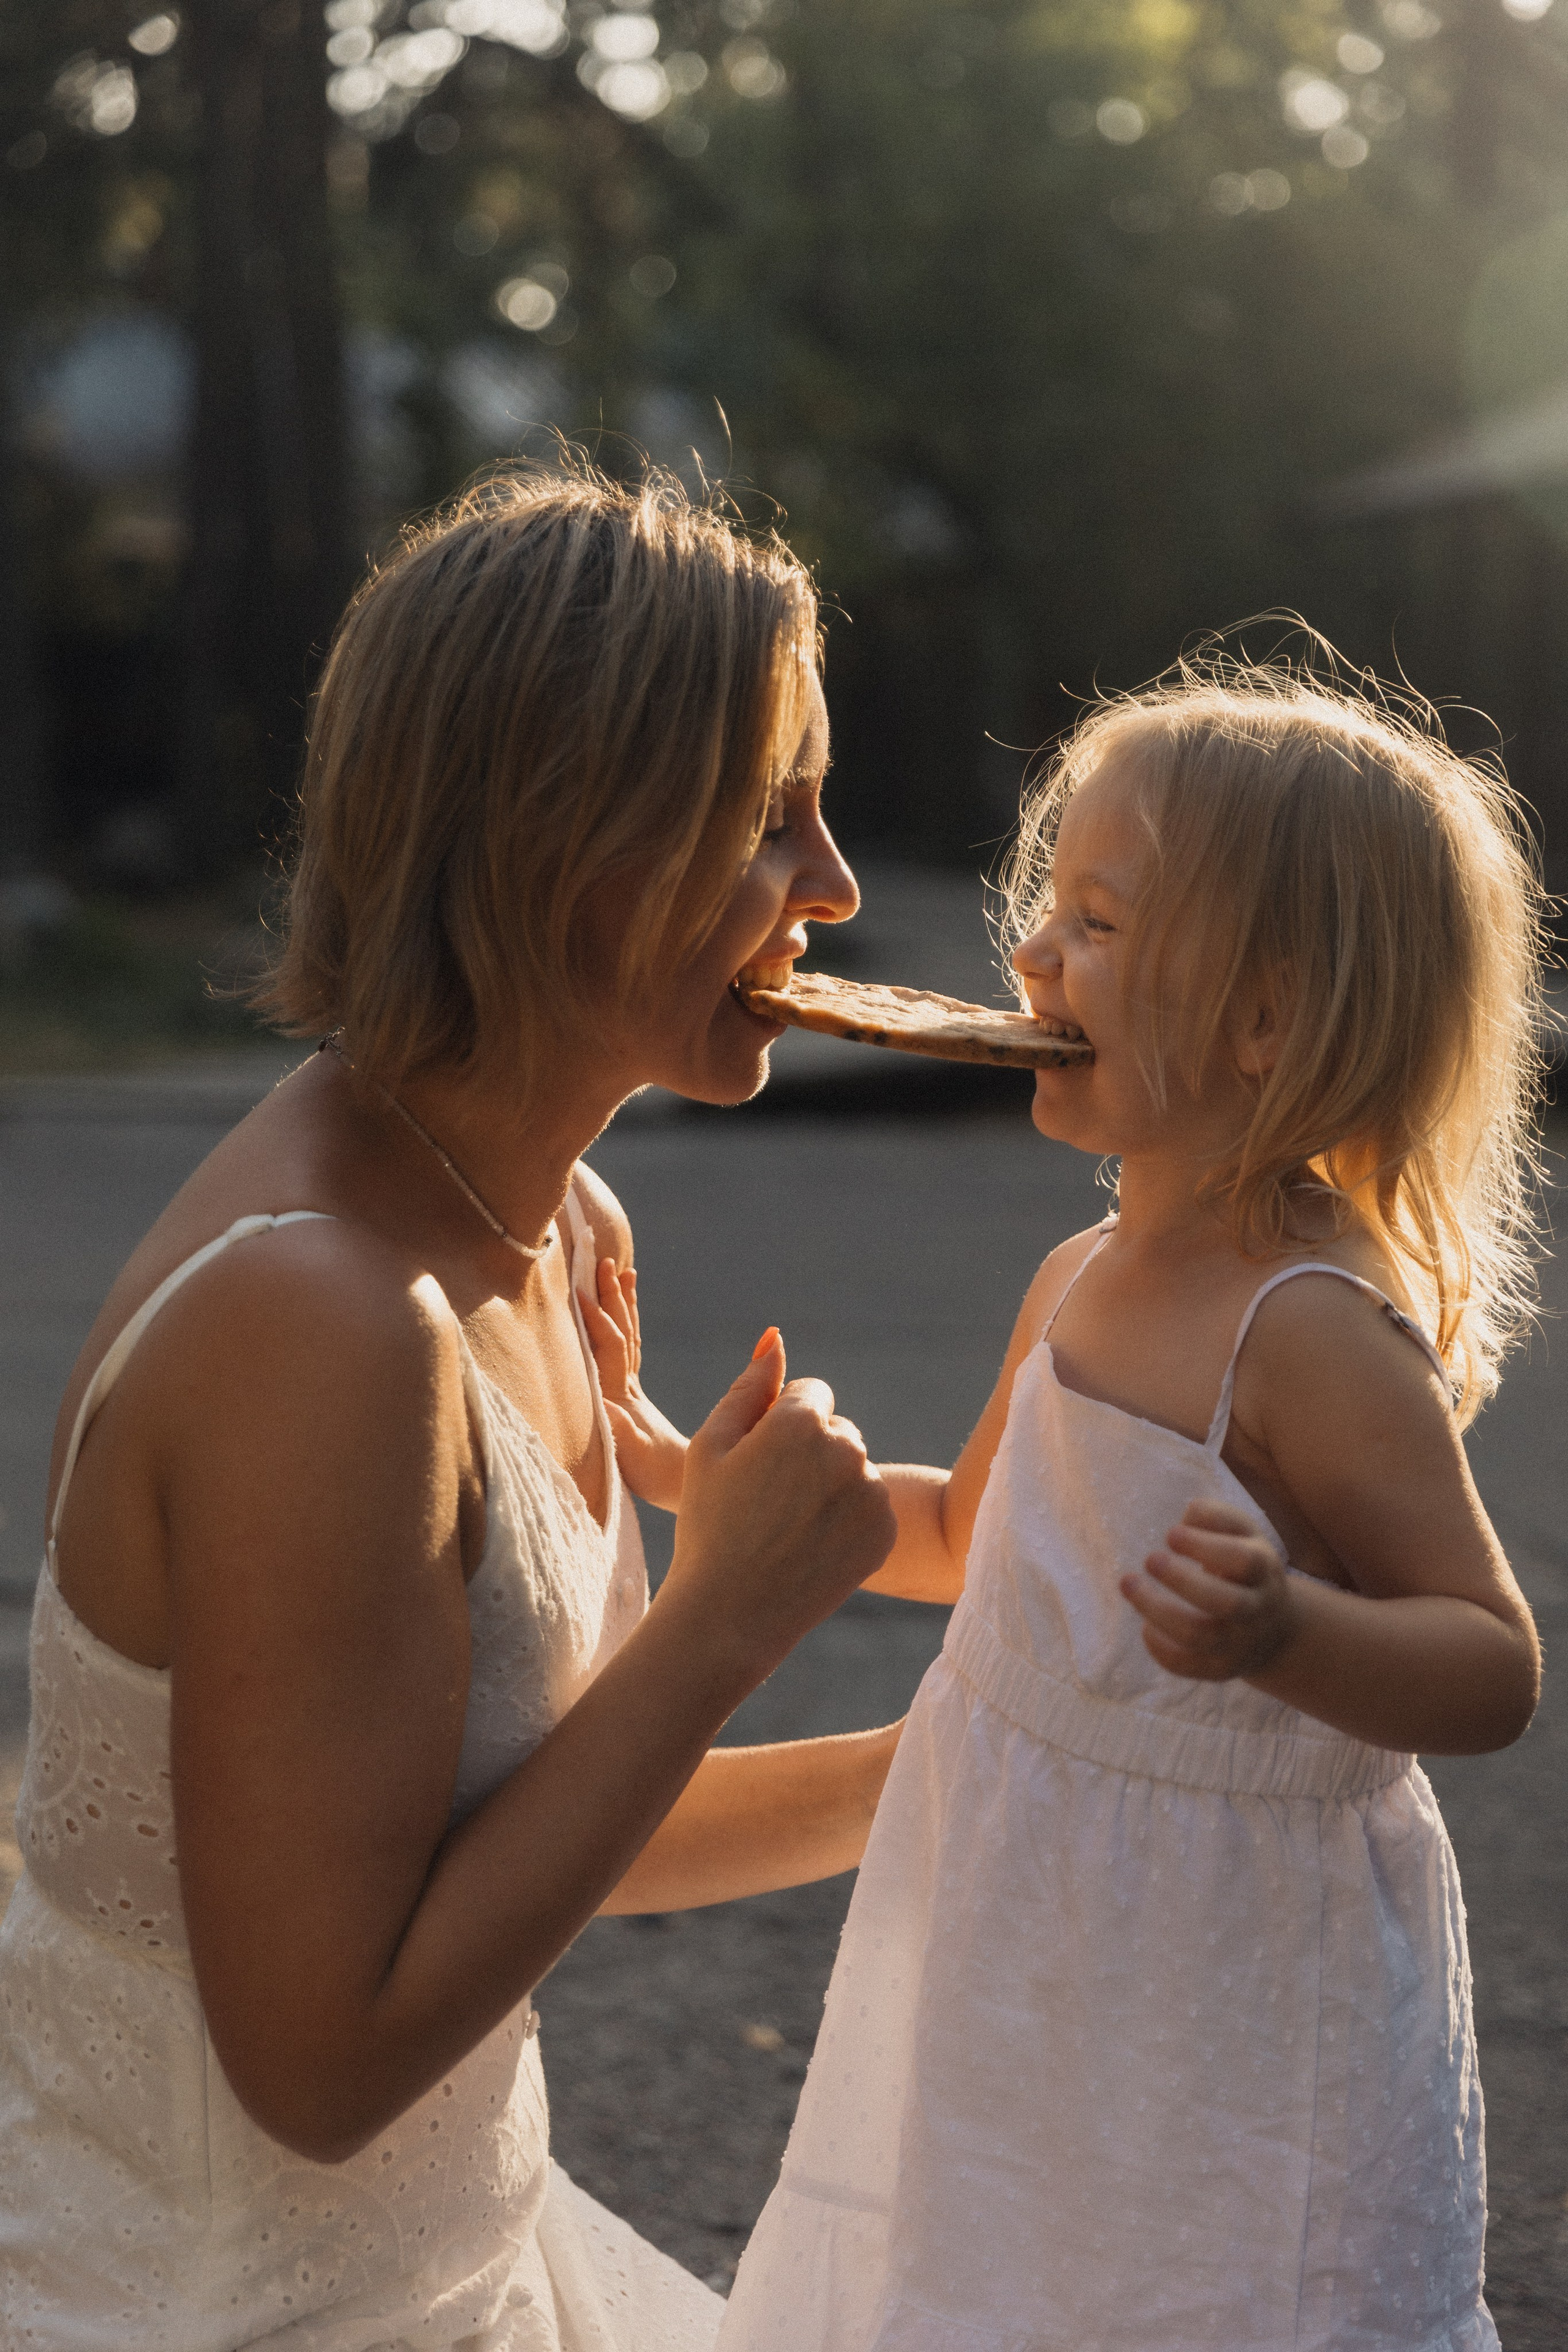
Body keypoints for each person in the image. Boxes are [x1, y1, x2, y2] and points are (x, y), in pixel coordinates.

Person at [0, 460, 905, 2350]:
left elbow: (554, 1828)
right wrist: (726, 1620)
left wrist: (987, 1762)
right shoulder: (321, 1330)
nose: (830, 886)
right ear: (559, 831)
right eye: (769, 817)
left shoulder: (554, 1222)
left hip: (462, 2263)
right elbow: (318, 2071)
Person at [597, 655, 1545, 2350]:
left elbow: (1488, 1662)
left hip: (1237, 1978)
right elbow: (976, 1540)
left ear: (1267, 1016)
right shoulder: (1083, 1274)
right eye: (1052, 907)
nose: (1029, 954)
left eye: (1098, 924)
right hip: (1028, 1938)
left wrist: (1290, 1631)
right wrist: (689, 1469)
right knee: (1003, 2273)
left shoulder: (1311, 1333)